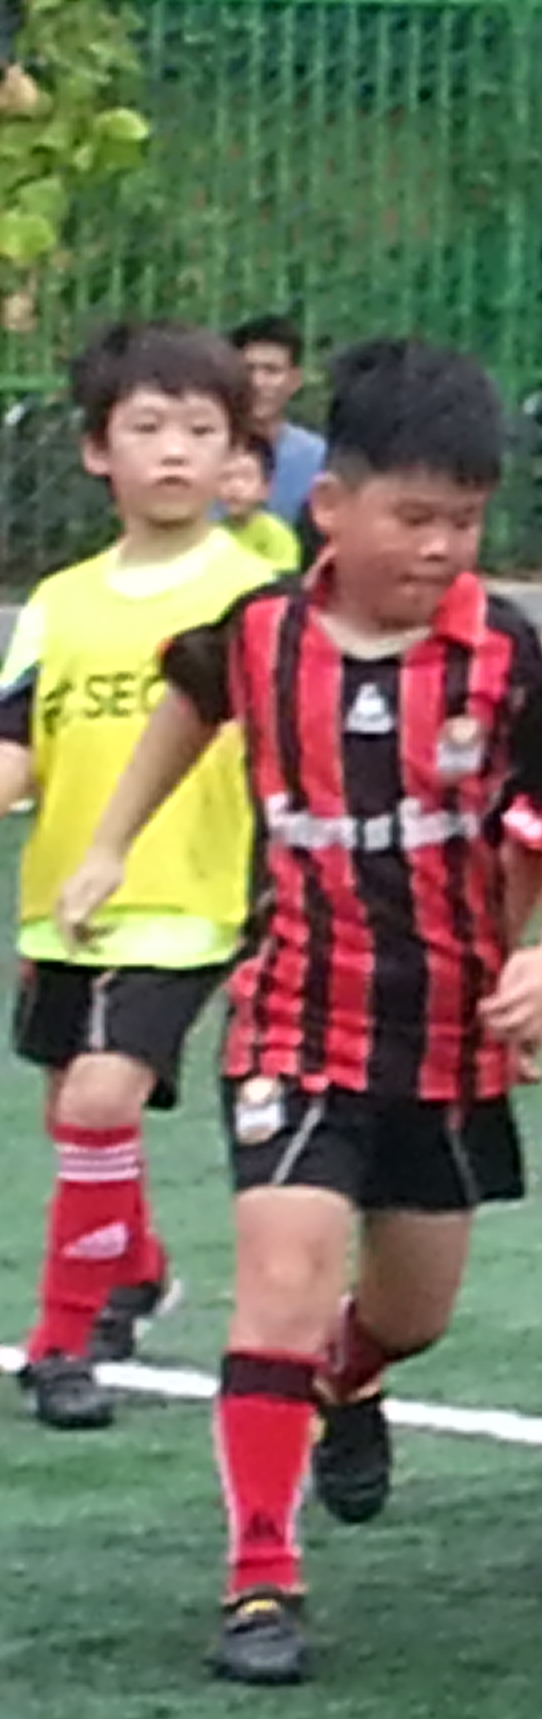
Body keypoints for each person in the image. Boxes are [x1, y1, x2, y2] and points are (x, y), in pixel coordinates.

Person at [56, 339, 542, 1686]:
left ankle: (355, 1378)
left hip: (446, 1040)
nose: (439, 548)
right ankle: (260, 1582)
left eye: (463, 521)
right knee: (282, 1283)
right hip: (296, 1023)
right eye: (413, 517)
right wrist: (110, 844)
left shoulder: (504, 654)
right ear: (333, 505)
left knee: (411, 1309)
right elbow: (186, 703)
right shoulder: (262, 634)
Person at [0, 326, 284, 1430]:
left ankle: (62, 1345)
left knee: (99, 1098)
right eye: (147, 427)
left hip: (190, 901)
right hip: (64, 907)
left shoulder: (258, 595)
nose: (174, 450)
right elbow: (20, 743)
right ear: (94, 451)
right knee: (73, 1116)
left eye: (200, 430)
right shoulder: (61, 602)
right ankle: (136, 1270)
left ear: (237, 456)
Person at [225, 315, 327, 527]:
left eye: (271, 371)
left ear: (294, 380)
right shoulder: (206, 448)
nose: (257, 382)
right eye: (248, 370)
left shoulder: (318, 458)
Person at [216, 431, 304, 574]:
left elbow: (285, 578)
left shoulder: (277, 535)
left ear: (266, 488)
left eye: (246, 478)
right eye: (226, 477)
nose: (235, 486)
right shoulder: (214, 534)